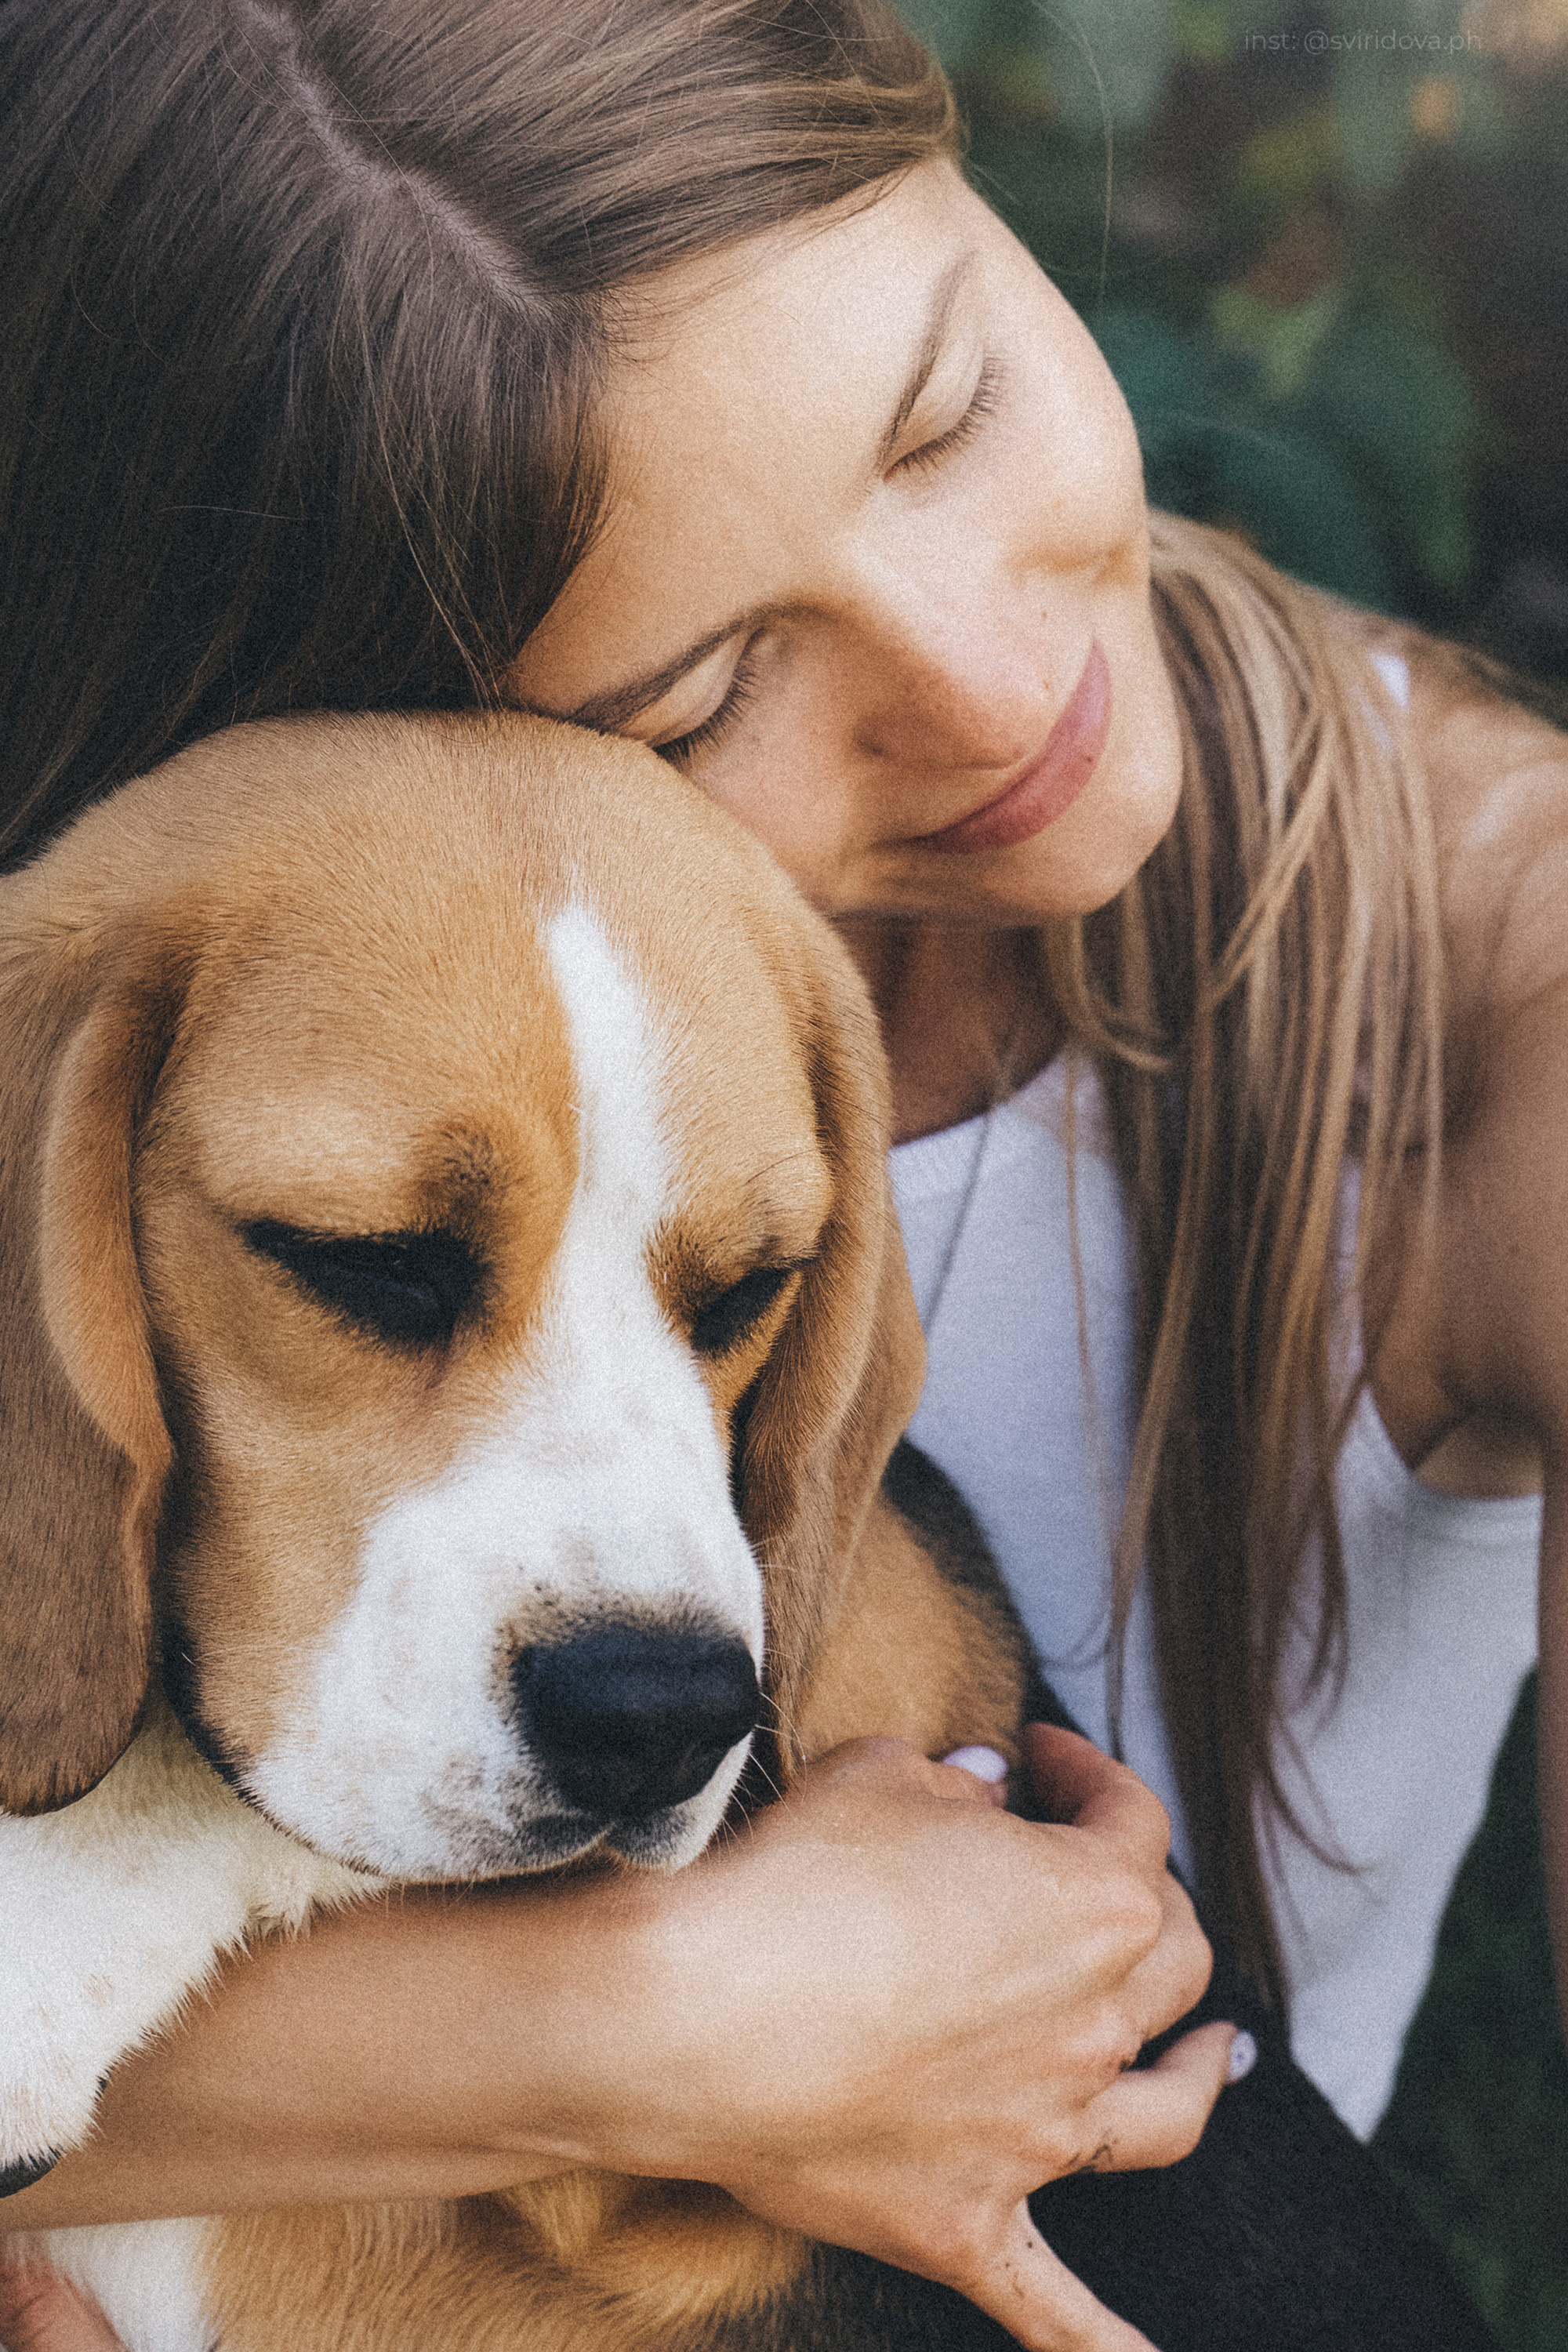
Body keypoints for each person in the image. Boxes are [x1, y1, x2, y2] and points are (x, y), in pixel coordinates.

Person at [0, 0, 1557, 2345]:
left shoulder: (1505, 993)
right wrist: (677, 2033)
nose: (988, 675)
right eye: (690, 701)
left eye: (943, 405)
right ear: (370, 724)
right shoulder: (175, 988)